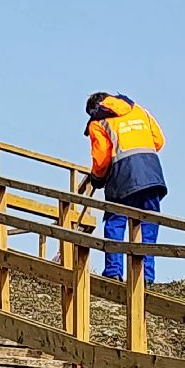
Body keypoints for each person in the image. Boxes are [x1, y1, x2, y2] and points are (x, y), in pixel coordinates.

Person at [79, 92, 166, 283]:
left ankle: (113, 272)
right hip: (151, 172)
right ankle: (145, 276)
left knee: (116, 221)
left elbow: (102, 158)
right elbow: (158, 141)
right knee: (148, 223)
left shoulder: (98, 122)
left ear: (94, 108)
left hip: (122, 176)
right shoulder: (139, 110)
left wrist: (97, 178)